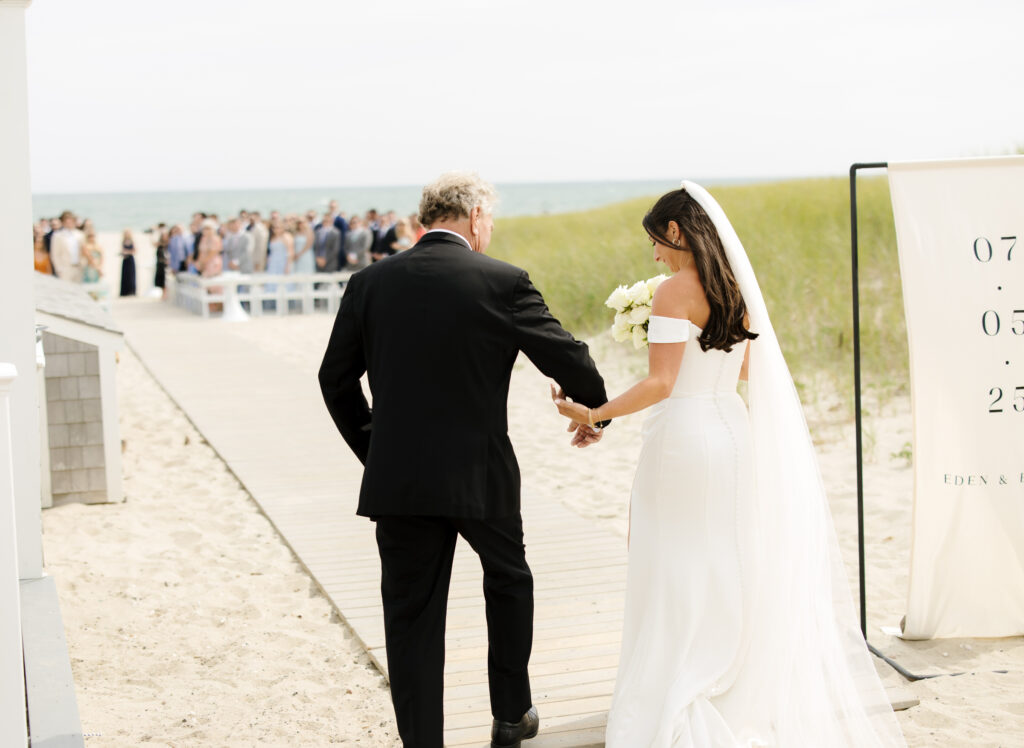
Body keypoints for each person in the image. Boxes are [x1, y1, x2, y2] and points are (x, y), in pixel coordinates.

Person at [553, 183, 906, 748]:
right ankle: (724, 677)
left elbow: (661, 384)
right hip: (731, 432)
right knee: (721, 553)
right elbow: (745, 372)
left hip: (686, 439)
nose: (656, 257)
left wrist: (594, 413)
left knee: (667, 554)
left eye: (656, 243)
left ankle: (677, 680)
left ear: (675, 231)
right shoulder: (733, 289)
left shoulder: (673, 291)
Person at [319, 172, 608, 748]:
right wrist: (594, 410)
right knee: (509, 581)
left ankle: (422, 741)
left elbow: (334, 379)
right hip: (482, 474)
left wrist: (377, 450)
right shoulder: (502, 280)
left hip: (399, 482)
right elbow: (568, 357)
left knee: (410, 616)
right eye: (491, 222)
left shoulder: (370, 282)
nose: (491, 231)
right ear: (475, 216)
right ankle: (510, 713)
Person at [50, 210, 85, 282]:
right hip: (65, 269)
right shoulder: (57, 235)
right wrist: (59, 269)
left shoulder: (80, 235)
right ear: (63, 222)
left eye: (70, 221)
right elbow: (55, 254)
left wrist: (83, 264)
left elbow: (84, 251)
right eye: (66, 221)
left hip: (78, 268)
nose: (69, 223)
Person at [119, 229, 137, 296]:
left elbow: (135, 250)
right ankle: (125, 292)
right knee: (125, 275)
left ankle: (131, 291)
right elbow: (122, 250)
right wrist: (123, 253)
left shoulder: (132, 241)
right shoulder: (123, 241)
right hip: (125, 260)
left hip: (130, 259)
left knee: (131, 275)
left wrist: (128, 252)